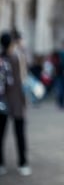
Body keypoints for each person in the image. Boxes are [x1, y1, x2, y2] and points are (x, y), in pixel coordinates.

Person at [0, 31, 31, 176]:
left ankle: (1, 163)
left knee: (0, 134)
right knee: (19, 134)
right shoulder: (18, 58)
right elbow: (24, 79)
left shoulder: (2, 59)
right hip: (17, 100)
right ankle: (23, 163)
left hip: (2, 101)